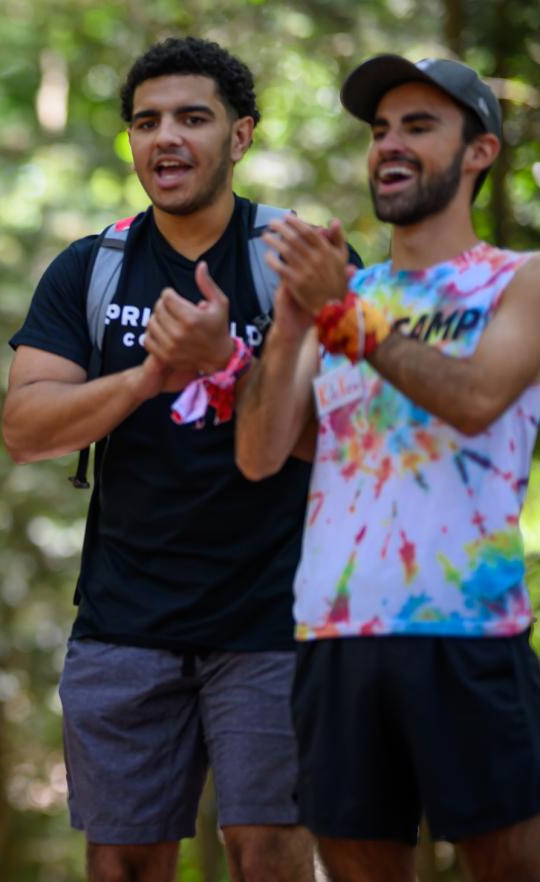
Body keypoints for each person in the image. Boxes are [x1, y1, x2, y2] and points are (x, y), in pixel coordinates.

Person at [1, 37, 325, 882]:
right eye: (146, 122)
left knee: (271, 855)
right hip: (125, 619)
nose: (166, 139)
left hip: (277, 617)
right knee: (123, 865)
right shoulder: (91, 267)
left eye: (193, 117)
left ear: (242, 135)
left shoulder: (299, 261)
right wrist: (152, 375)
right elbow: (26, 428)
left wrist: (232, 363)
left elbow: (342, 440)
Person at [235, 55, 540, 882]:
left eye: (418, 126)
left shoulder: (520, 281)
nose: (390, 146)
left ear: (480, 152)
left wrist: (340, 311)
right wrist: (295, 325)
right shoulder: (344, 291)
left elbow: (476, 399)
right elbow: (260, 455)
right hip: (334, 635)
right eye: (379, 131)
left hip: (466, 630)